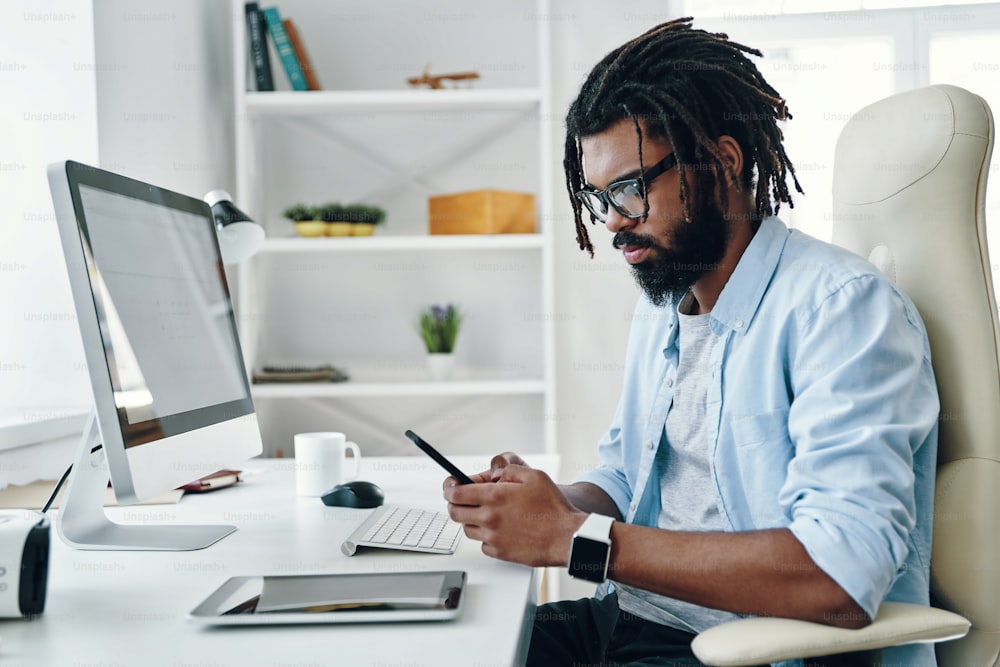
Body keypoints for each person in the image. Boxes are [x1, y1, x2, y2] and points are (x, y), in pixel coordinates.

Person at [444, 17, 940, 667]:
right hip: (630, 618)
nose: (615, 222)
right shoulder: (664, 301)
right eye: (599, 198)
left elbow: (840, 577)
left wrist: (577, 538)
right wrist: (541, 504)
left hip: (749, 651)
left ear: (723, 162)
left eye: (630, 188)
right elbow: (626, 475)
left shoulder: (842, 311)